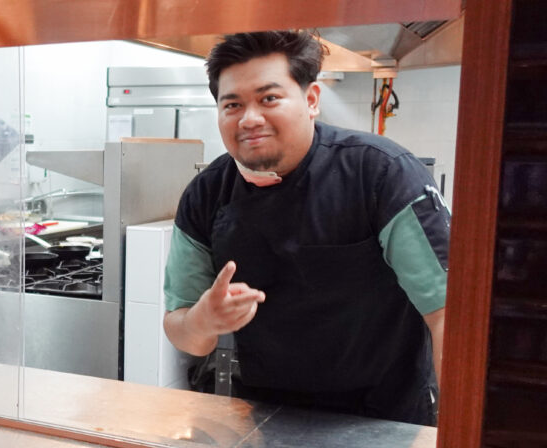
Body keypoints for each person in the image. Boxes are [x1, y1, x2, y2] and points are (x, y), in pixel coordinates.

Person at [162, 30, 450, 427]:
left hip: (388, 415)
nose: (249, 119)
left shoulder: (381, 174)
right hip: (268, 415)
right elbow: (181, 329)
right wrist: (203, 320)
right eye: (232, 104)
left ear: (311, 100)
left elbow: (447, 313)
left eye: (268, 98)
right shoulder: (206, 193)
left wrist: (459, 434)